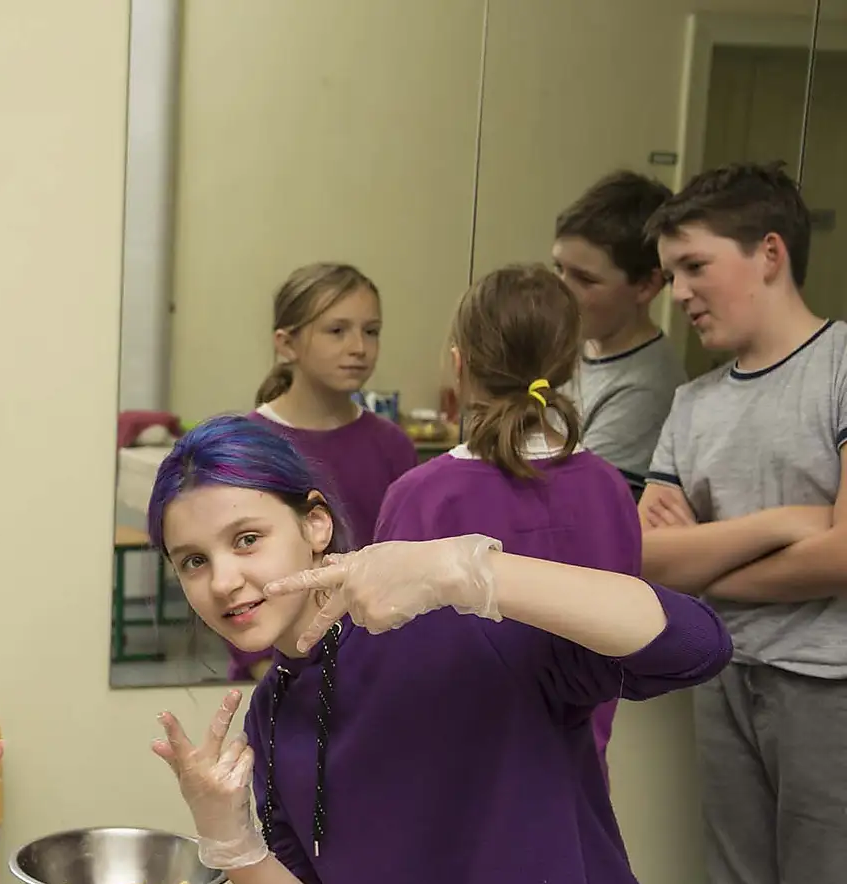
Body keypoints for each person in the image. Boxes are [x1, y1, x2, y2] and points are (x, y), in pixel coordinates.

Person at [147, 414, 730, 884]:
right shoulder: (271, 719)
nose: (223, 581)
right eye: (193, 561)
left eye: (247, 539)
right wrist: (230, 840)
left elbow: (694, 646)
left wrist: (468, 572)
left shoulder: (456, 622)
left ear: (316, 524)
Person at [639, 162, 847, 884]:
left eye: (693, 266)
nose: (678, 293)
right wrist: (787, 528)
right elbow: (649, 560)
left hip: (826, 692)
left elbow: (846, 558)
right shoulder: (692, 405)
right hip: (726, 686)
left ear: (769, 254)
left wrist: (708, 562)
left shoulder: (840, 366)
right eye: (670, 273)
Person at [375, 265, 640, 786]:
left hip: (453, 790)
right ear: (569, 365)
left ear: (459, 365)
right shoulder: (609, 490)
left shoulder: (423, 497)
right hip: (576, 787)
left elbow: (384, 661)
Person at [230, 262, 416, 681]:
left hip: (375, 665)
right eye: (337, 331)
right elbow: (229, 563)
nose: (359, 347)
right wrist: (262, 666)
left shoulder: (392, 445)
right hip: (278, 668)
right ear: (287, 343)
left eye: (371, 331)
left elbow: (405, 564)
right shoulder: (249, 443)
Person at [551, 170, 686, 497]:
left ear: (647, 285)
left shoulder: (647, 390)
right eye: (559, 269)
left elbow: (577, 503)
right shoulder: (567, 348)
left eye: (585, 279)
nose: (561, 291)